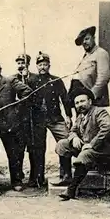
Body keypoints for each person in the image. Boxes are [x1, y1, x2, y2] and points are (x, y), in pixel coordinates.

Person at [55, 89, 110, 201]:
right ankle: (67, 177)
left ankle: (71, 189)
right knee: (62, 144)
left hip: (102, 151)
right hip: (87, 149)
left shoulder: (99, 112)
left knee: (85, 155)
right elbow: (72, 131)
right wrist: (74, 138)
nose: (80, 105)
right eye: (77, 103)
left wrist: (92, 144)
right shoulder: (80, 116)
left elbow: (107, 129)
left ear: (90, 101)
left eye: (82, 101)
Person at [0, 57, 33, 191]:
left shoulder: (10, 81)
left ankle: (16, 181)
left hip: (9, 124)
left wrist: (17, 109)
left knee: (14, 154)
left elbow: (27, 92)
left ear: (0, 69)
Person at [29, 51, 74, 187]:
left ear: (49, 66)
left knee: (65, 142)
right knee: (38, 147)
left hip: (55, 118)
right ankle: (38, 177)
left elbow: (65, 98)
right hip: (38, 120)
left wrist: (68, 116)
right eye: (40, 65)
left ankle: (66, 174)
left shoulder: (56, 80)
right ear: (37, 67)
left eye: (45, 64)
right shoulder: (31, 81)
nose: (42, 67)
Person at [13, 54, 43, 187]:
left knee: (34, 149)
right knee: (18, 149)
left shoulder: (35, 78)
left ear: (28, 64)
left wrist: (28, 80)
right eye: (18, 62)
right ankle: (18, 177)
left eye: (23, 63)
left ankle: (35, 177)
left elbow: (38, 96)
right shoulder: (12, 79)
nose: (21, 65)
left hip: (33, 118)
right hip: (19, 120)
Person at [70, 26, 110, 108]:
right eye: (82, 40)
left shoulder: (101, 53)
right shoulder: (86, 55)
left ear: (94, 38)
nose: (84, 42)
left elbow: (104, 77)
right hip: (80, 96)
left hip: (90, 97)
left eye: (87, 39)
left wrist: (92, 95)